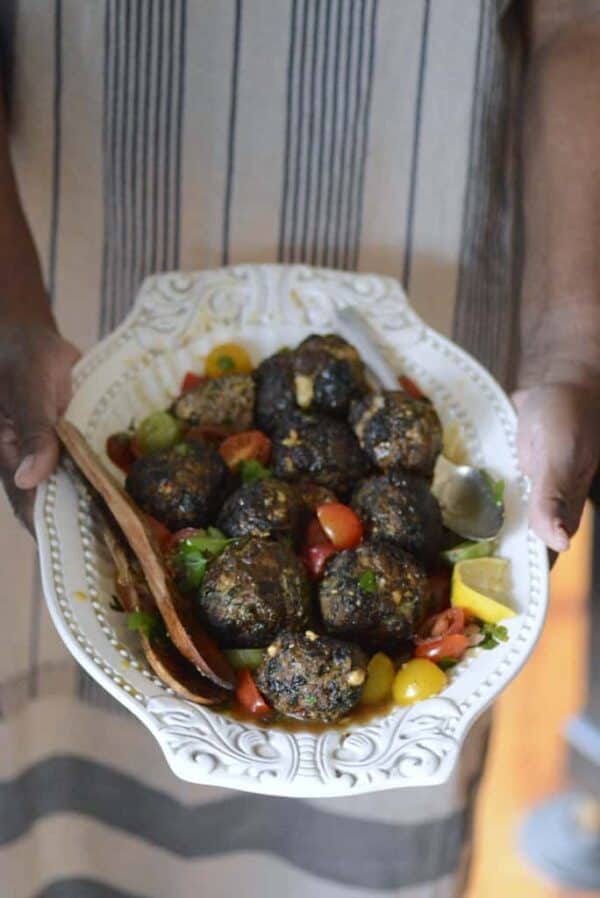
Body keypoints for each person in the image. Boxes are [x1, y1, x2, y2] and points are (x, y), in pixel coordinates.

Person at [1, 2, 598, 897]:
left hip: (435, 242)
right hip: (69, 274)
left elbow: (578, 25)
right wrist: (9, 316)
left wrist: (571, 349)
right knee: (64, 748)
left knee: (353, 850)